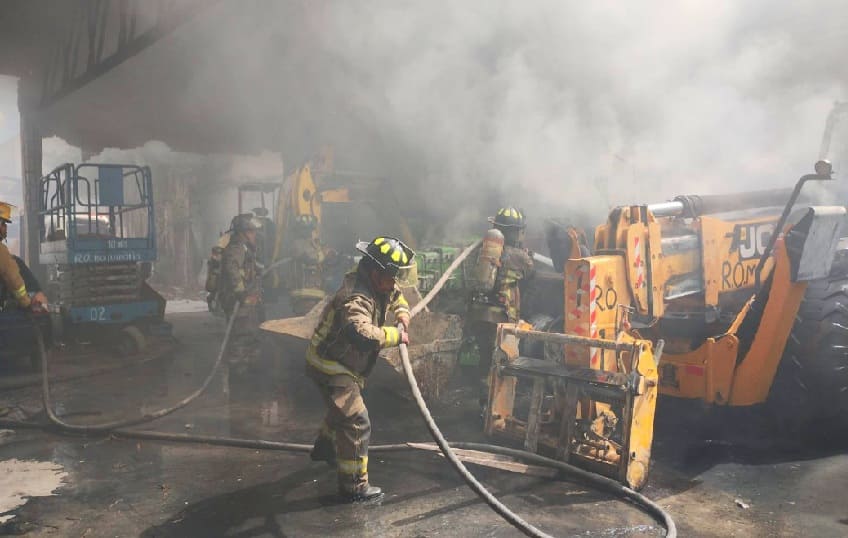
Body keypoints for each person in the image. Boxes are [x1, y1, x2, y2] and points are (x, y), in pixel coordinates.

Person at [305, 236, 414, 503]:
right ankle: (354, 485)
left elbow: (396, 295)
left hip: (342, 362)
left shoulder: (378, 282)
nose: (393, 281)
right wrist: (395, 335)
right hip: (330, 364)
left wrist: (402, 313)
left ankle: (324, 448)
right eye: (390, 276)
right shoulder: (355, 296)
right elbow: (360, 333)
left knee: (341, 410)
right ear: (376, 273)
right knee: (356, 420)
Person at [461, 207, 535, 400]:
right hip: (501, 316)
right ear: (514, 231)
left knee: (483, 352)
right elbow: (529, 272)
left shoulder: (481, 250)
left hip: (478, 312)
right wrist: (526, 254)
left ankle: (478, 388)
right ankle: (492, 401)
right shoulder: (520, 256)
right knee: (502, 358)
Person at [220, 214, 263, 366]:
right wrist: (240, 292)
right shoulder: (236, 248)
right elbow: (232, 269)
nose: (254, 235)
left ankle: (248, 368)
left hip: (246, 302)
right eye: (251, 231)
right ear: (241, 233)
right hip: (238, 302)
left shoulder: (245, 249)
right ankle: (237, 374)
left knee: (250, 336)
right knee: (241, 337)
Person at [0, 201, 46, 311]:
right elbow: (13, 279)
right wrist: (26, 303)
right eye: (4, 224)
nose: (5, 228)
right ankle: (37, 296)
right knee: (16, 263)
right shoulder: (2, 252)